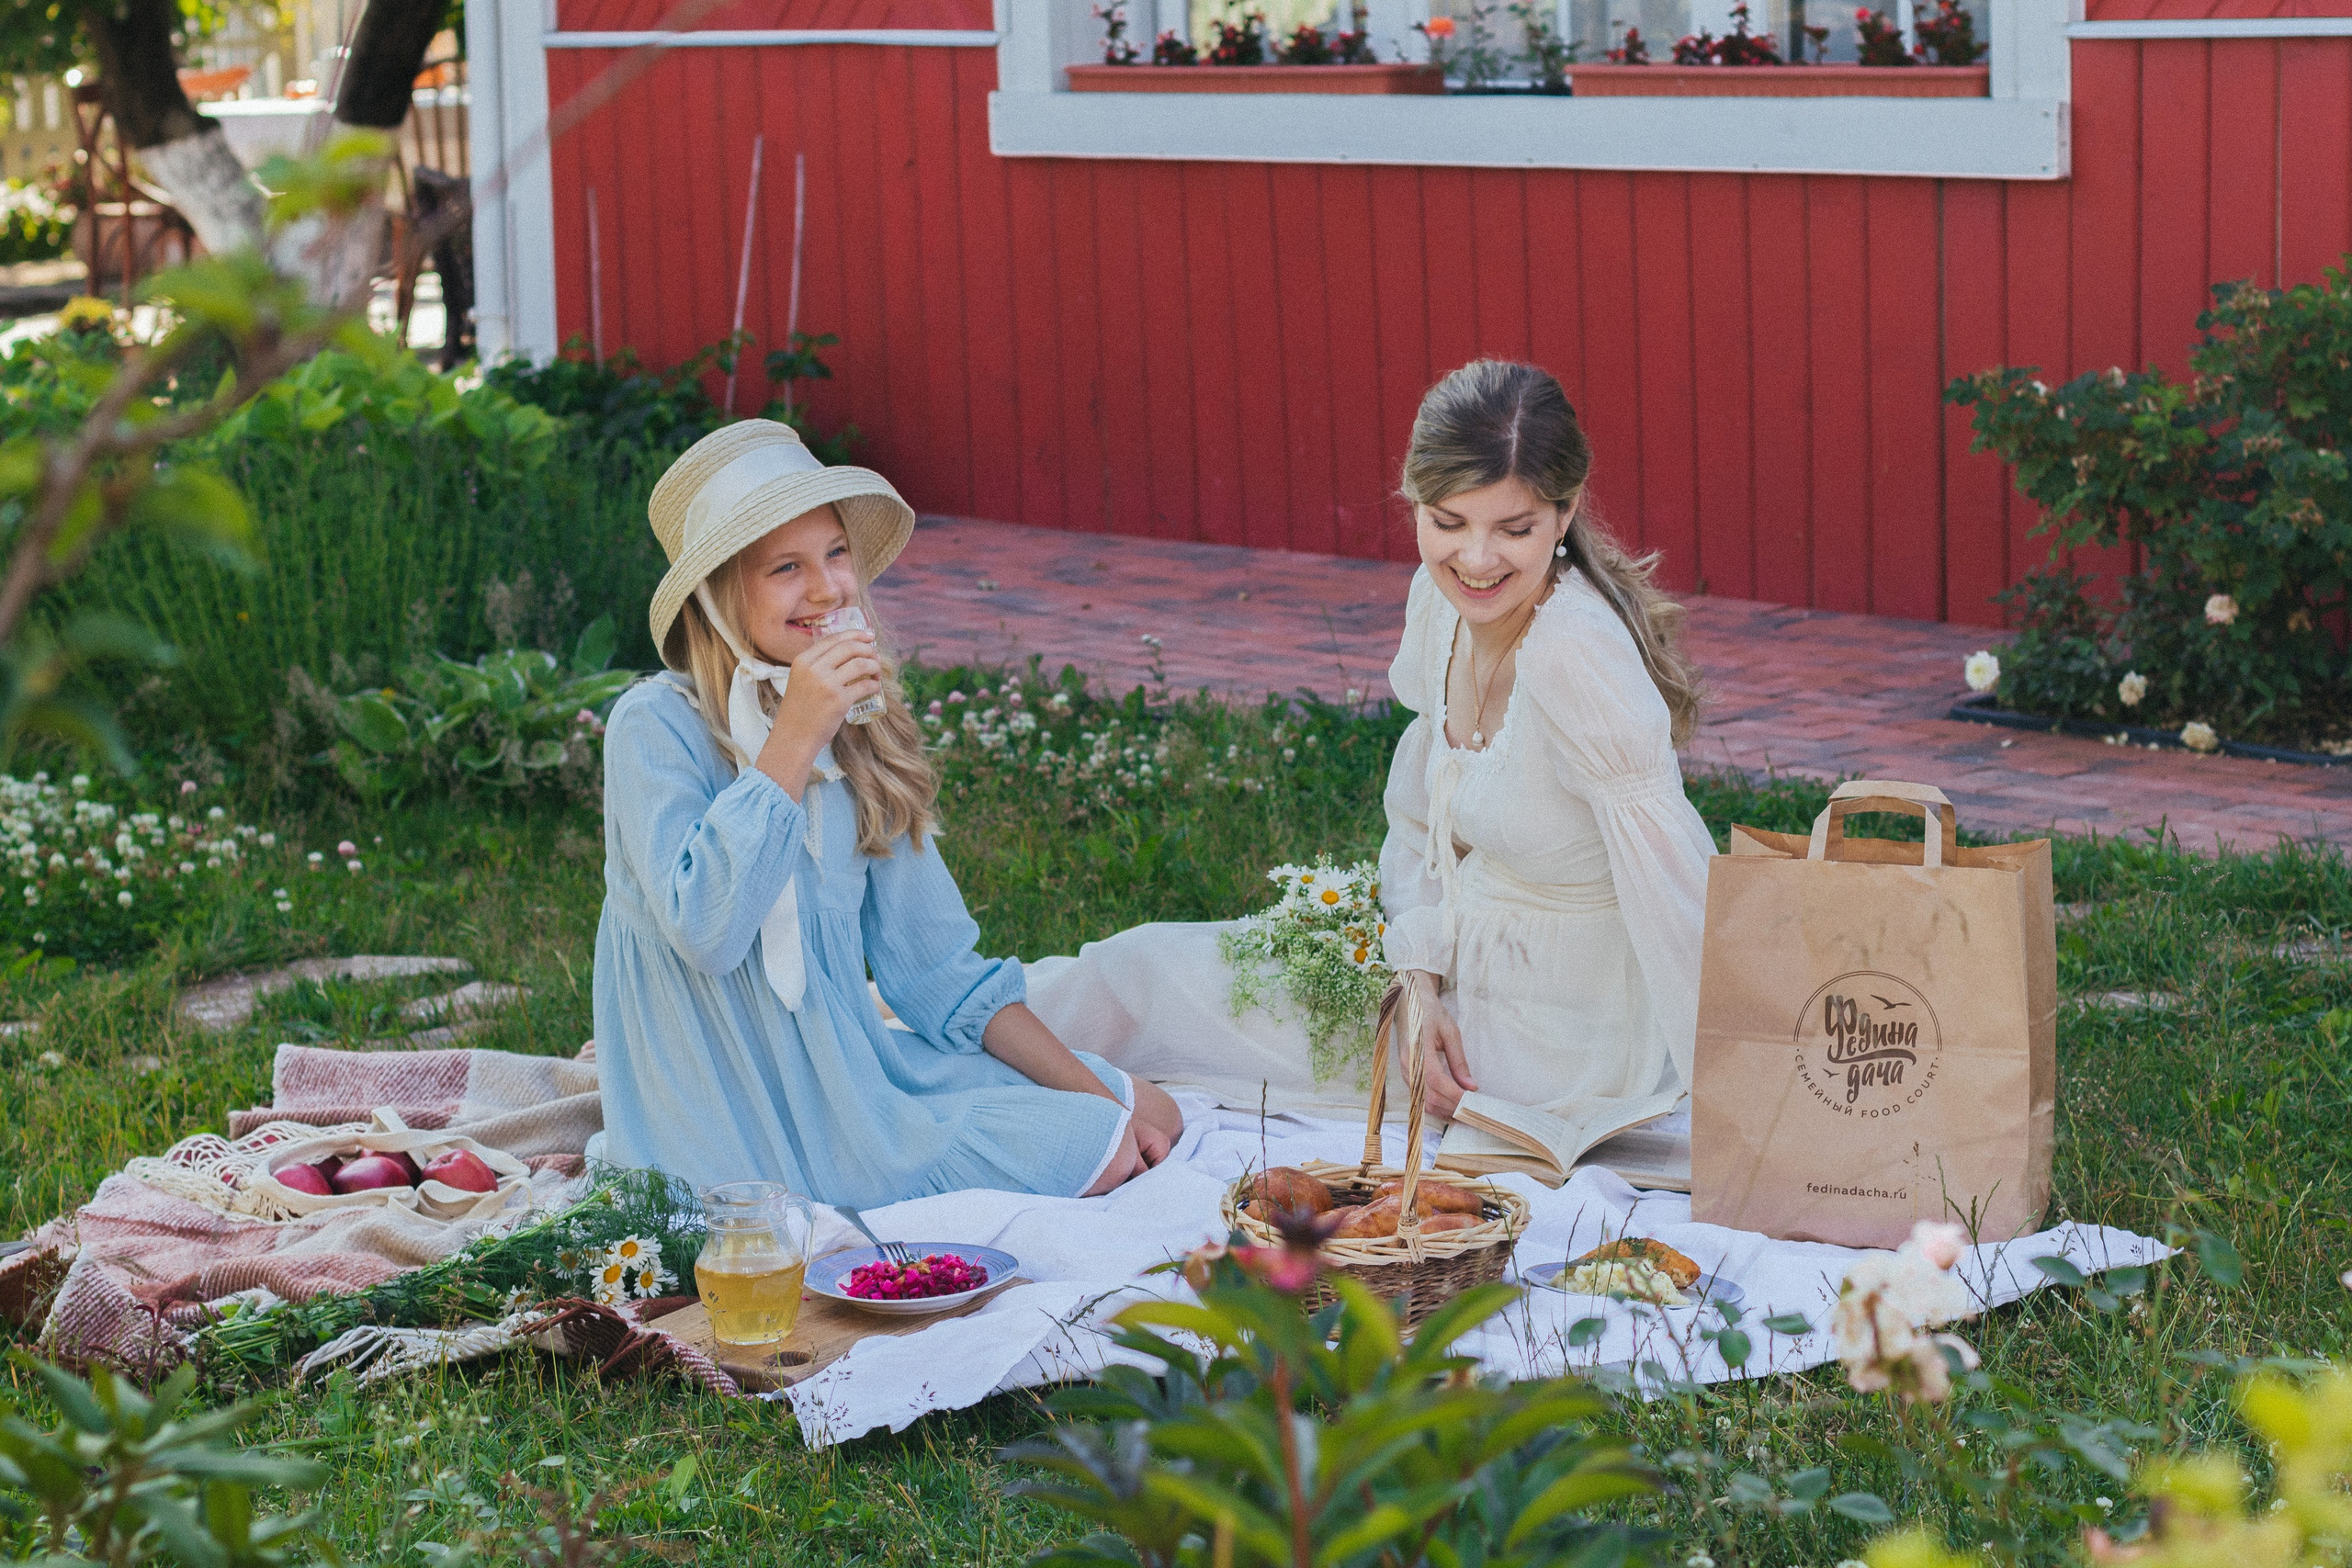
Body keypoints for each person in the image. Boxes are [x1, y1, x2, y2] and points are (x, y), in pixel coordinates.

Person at [1026, 360, 1716, 1122]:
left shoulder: (1575, 653)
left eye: (1513, 529)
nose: (1477, 560)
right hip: (1448, 972)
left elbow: (1679, 895)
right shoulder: (1443, 605)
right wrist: (1415, 975)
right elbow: (1422, 825)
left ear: (1564, 513)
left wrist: (1741, 1106)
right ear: (1413, 501)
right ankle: (951, 1017)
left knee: (1146, 982)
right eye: (1448, 522)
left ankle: (968, 1030)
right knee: (1137, 968)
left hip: (1547, 1041)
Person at [594, 420, 1183, 1207]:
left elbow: (939, 977)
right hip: (723, 1107)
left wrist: (1093, 1094)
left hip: (847, 1070)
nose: (829, 588)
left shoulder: (857, 732)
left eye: (836, 553)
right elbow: (707, 931)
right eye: (785, 567)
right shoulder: (654, 726)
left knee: (1146, 1111)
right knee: (1099, 1154)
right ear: (720, 594)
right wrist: (796, 735)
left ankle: (992, 1123)